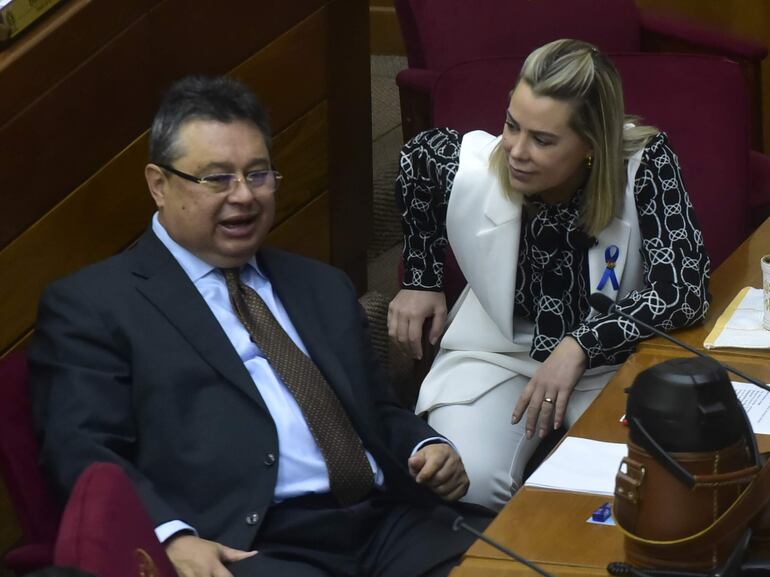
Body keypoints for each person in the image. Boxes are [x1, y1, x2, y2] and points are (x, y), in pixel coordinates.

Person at [29, 75, 490, 577]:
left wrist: (425, 446)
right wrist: (171, 535)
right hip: (253, 544)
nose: (245, 196)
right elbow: (84, 451)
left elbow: (377, 410)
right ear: (158, 184)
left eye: (258, 174)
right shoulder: (94, 305)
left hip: (386, 523)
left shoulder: (320, 285)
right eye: (217, 178)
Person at [387, 39, 711, 511]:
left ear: (591, 145)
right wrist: (420, 277)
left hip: (613, 360)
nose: (515, 151)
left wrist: (582, 344)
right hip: (500, 349)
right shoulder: (476, 166)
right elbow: (417, 158)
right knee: (464, 482)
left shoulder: (645, 162)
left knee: (630, 493)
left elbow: (684, 286)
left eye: (542, 140)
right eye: (512, 125)